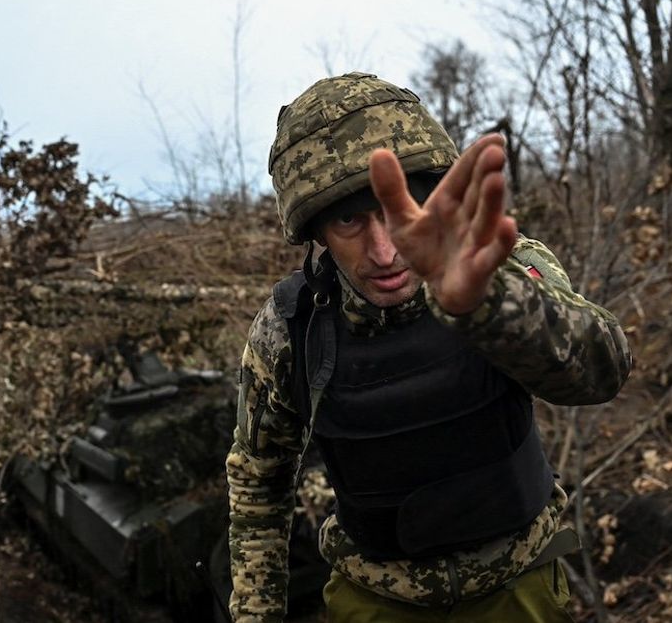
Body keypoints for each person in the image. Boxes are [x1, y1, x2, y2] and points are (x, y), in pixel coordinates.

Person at [225, 72, 631, 622]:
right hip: (376, 602)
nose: (385, 250)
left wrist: (489, 305)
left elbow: (603, 373)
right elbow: (258, 476)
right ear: (317, 231)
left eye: (400, 208)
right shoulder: (288, 329)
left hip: (518, 591)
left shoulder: (501, 268)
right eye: (349, 219)